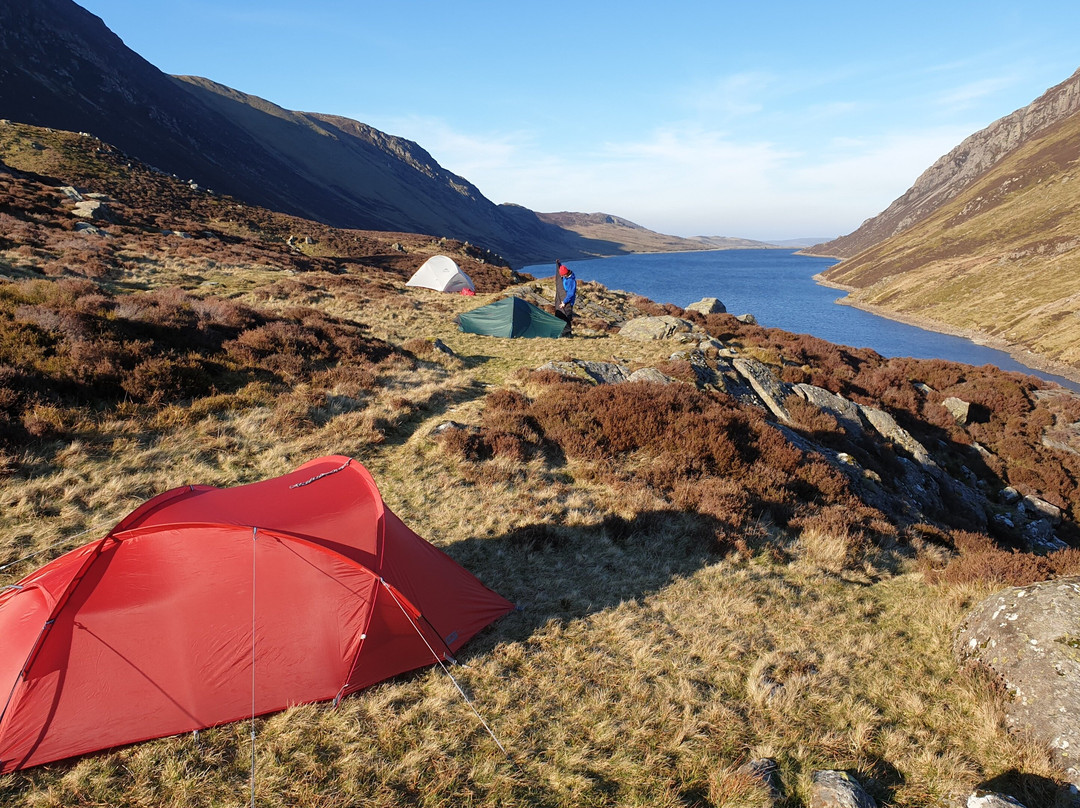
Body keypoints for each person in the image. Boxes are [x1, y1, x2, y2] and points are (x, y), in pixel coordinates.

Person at [554, 262, 577, 336]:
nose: (561, 276)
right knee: (561, 316)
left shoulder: (571, 281)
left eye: (562, 275)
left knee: (566, 316)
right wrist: (559, 265)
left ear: (565, 274)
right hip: (564, 300)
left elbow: (570, 294)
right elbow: (562, 270)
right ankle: (563, 333)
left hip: (568, 302)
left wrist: (564, 302)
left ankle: (567, 334)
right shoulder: (565, 277)